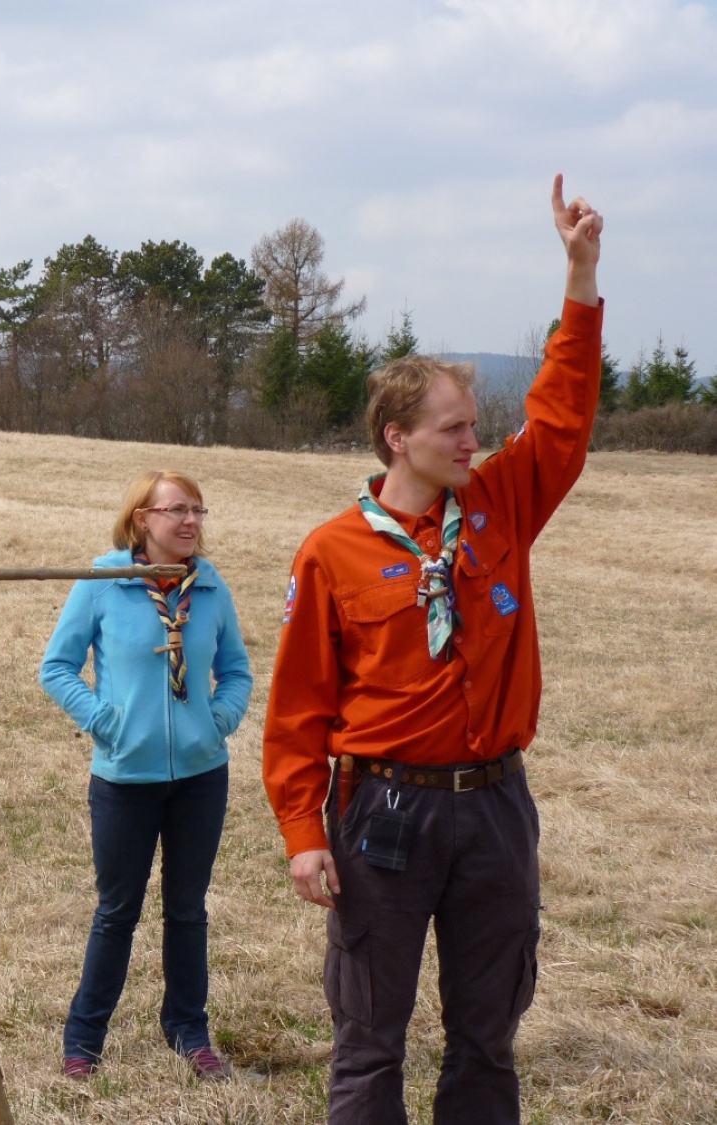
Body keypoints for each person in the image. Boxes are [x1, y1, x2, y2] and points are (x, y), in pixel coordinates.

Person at [262, 175, 604, 1125]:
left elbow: (564, 415)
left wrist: (580, 277)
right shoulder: (332, 551)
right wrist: (301, 834)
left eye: (475, 423)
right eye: (455, 427)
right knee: (370, 1041)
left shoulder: (500, 505)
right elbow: (297, 710)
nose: (474, 439)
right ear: (398, 437)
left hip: (495, 804)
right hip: (383, 811)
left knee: (488, 1033)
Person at [40, 470, 253, 1083]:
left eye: (198, 511)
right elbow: (56, 668)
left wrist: (218, 722)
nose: (190, 522)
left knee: (188, 911)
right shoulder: (106, 582)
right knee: (116, 912)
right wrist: (106, 722)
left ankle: (188, 1029)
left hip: (200, 776)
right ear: (143, 519)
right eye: (177, 510)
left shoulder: (210, 588)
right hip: (123, 781)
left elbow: (237, 670)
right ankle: (84, 1039)